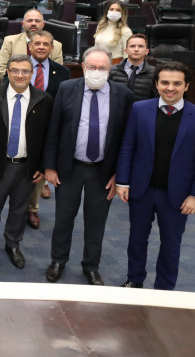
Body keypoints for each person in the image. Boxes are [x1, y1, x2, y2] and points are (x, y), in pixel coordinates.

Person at [116, 61, 195, 290]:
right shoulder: (140, 109)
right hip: (142, 190)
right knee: (137, 239)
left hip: (178, 195)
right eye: (165, 82)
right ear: (156, 84)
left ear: (186, 86)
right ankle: (135, 279)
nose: (170, 88)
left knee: (171, 244)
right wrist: (123, 181)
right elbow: (127, 146)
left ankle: (164, 288)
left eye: (177, 83)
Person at [44, 47, 134, 286]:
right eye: (92, 67)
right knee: (63, 219)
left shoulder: (123, 94)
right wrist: (50, 167)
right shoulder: (66, 89)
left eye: (102, 68)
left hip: (103, 171)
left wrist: (120, 175)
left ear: (110, 69)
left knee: (96, 222)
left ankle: (91, 266)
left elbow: (127, 139)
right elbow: (53, 130)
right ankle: (58, 261)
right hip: (69, 168)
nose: (96, 72)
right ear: (83, 67)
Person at [0, 55, 53, 270]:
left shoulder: (43, 100)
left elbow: (48, 137)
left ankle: (13, 245)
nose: (19, 75)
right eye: (15, 70)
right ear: (7, 72)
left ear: (31, 73)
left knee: (18, 210)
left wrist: (43, 167)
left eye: (25, 71)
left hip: (27, 168)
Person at [24, 30, 71, 230]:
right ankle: (16, 206)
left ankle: (32, 209)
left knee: (39, 170)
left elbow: (63, 102)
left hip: (47, 128)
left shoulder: (62, 72)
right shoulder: (19, 67)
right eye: (37, 44)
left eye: (46, 44)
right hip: (21, 124)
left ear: (52, 48)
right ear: (30, 47)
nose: (41, 47)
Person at [0, 8, 64, 80]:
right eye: (29, 21)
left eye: (37, 21)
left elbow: (58, 73)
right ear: (23, 24)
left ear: (43, 24)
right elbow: (0, 69)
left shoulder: (56, 46)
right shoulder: (10, 42)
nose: (33, 23)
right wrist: (19, 84)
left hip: (44, 89)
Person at [109, 33, 156, 101]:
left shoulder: (154, 72)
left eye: (140, 46)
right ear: (126, 51)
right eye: (132, 46)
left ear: (147, 51)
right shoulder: (112, 70)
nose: (136, 49)